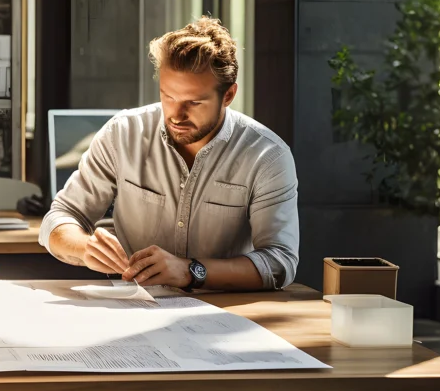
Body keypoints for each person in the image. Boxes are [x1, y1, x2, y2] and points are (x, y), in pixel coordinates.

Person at [39, 17, 299, 291]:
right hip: (134, 304)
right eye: (168, 97)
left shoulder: (267, 156)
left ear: (228, 95)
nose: (176, 115)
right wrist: (85, 247)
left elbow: (279, 261)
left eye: (194, 102)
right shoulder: (122, 134)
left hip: (224, 308)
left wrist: (191, 271)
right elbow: (60, 217)